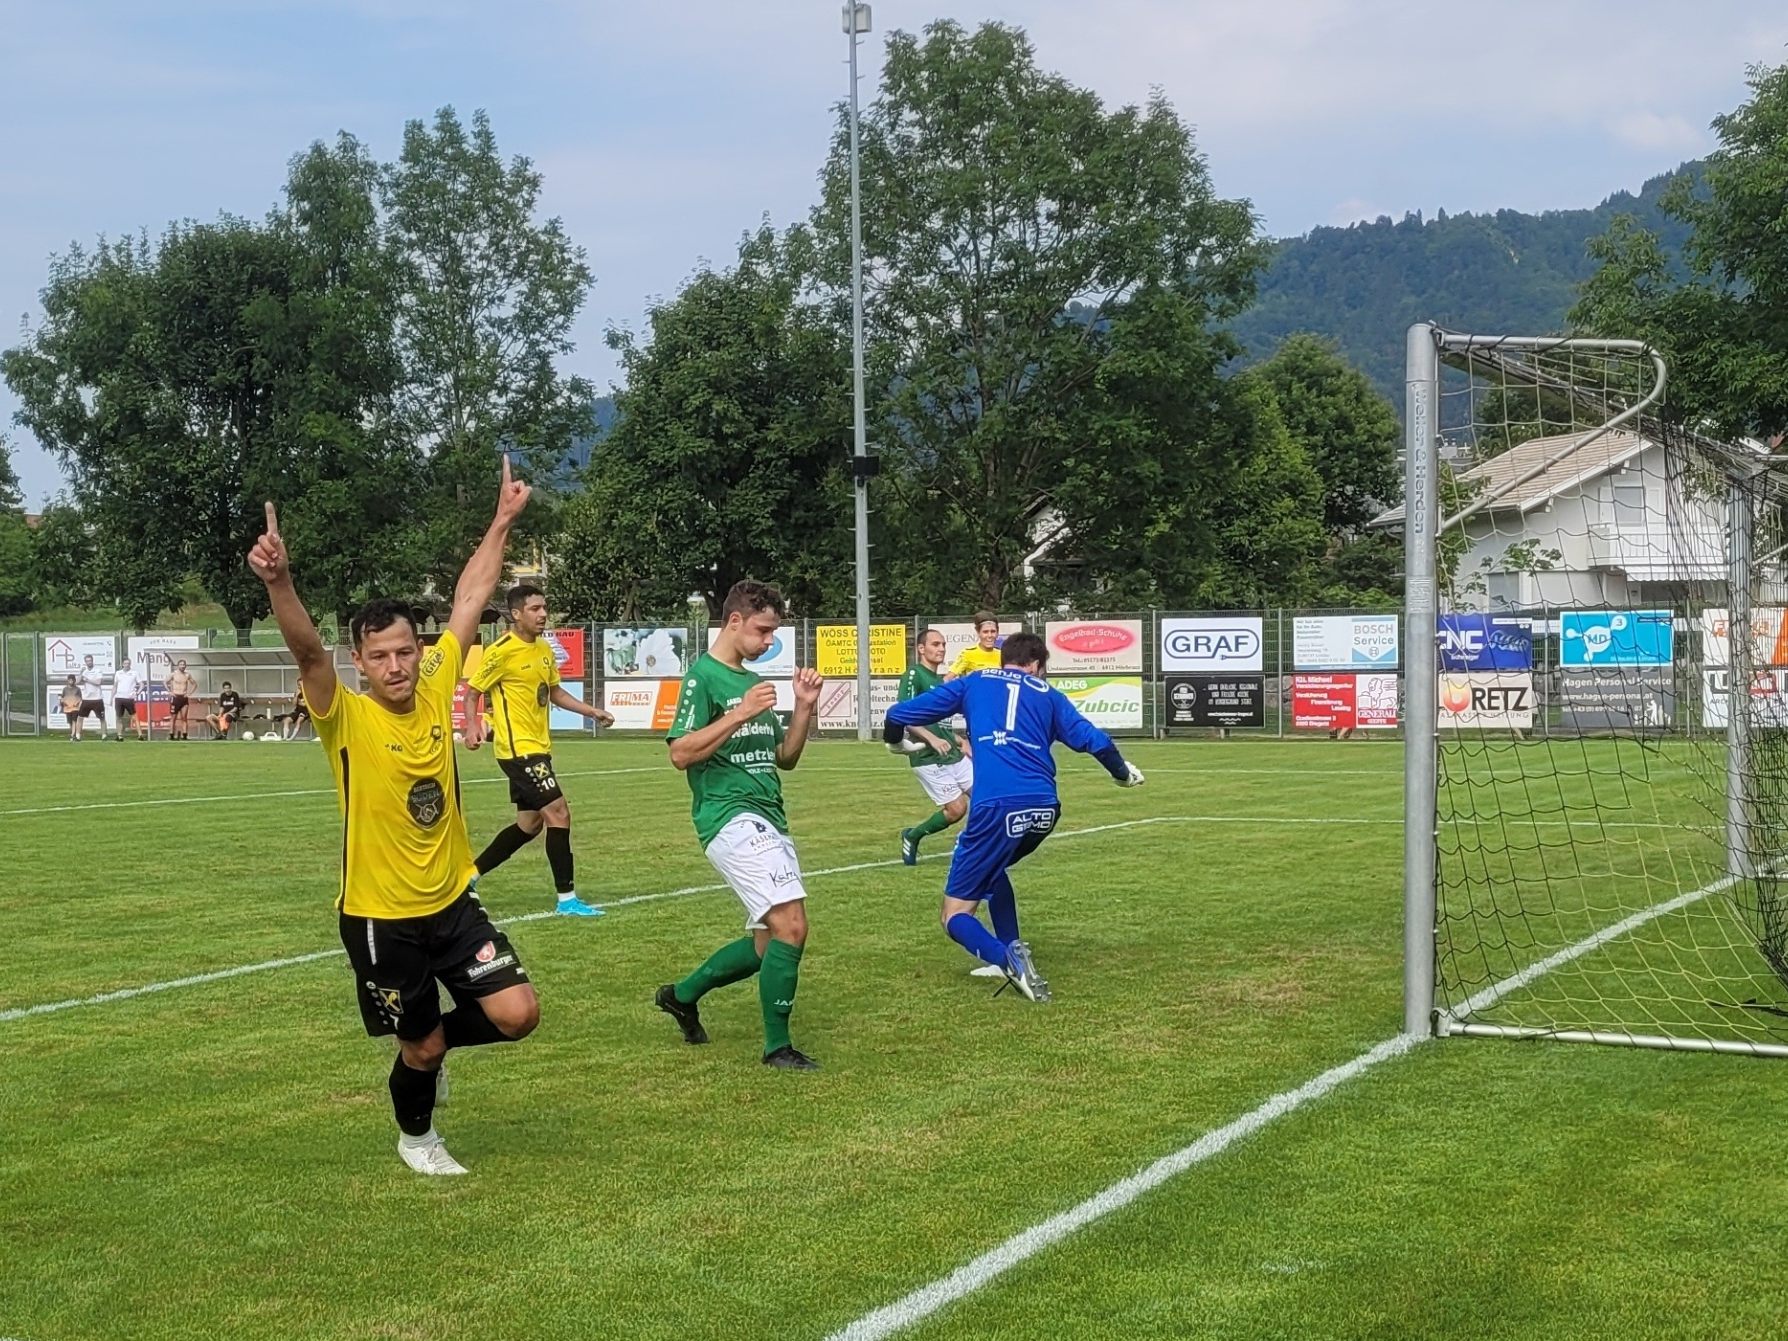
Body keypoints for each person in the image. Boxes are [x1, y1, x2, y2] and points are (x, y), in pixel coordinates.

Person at [248, 457, 540, 1177]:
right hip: (381, 919)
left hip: (453, 901)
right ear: (360, 661)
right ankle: (417, 1137)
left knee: (518, 1013)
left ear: (419, 649)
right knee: (424, 1050)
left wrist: (502, 519)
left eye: (406, 650)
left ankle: (427, 1045)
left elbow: (472, 594)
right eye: (379, 655)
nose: (397, 665)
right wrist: (279, 581)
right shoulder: (342, 715)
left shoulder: (439, 681)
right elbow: (306, 649)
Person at [884, 631, 1146, 1002]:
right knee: (993, 871)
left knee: (954, 915)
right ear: (1037, 666)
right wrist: (1122, 774)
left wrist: (896, 742)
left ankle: (1006, 960)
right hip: (1044, 809)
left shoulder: (975, 682)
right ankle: (1010, 945)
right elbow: (1098, 741)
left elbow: (898, 713)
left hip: (996, 808)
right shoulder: (1049, 695)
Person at [654, 580, 824, 1070]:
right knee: (792, 926)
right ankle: (777, 1049)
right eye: (763, 630)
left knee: (766, 943)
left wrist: (804, 707)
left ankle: (682, 995)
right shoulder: (702, 678)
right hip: (729, 817)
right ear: (733, 621)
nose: (770, 641)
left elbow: (784, 758)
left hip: (769, 816)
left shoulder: (753, 683)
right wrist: (740, 713)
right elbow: (680, 753)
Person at [464, 583, 616, 917]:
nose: (543, 614)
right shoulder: (501, 650)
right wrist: (473, 725)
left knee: (529, 825)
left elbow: (555, 692)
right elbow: (473, 692)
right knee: (559, 813)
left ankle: (467, 877)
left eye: (544, 607)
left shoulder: (544, 650)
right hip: (518, 751)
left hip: (538, 748)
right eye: (534, 609)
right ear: (516, 614)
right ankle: (567, 899)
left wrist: (592, 712)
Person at [896, 627, 974, 866]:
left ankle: (971, 846)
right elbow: (904, 716)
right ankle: (913, 835)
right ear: (921, 649)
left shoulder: (941, 682)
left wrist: (960, 740)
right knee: (956, 809)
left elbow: (941, 722)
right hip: (927, 756)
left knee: (985, 797)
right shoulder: (914, 675)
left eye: (942, 645)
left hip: (951, 752)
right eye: (935, 644)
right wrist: (931, 738)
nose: (940, 649)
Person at [946, 611, 1003, 679]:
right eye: (985, 632)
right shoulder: (967, 654)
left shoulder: (1002, 655)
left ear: (997, 632)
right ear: (978, 632)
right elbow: (947, 679)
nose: (989, 635)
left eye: (993, 631)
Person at [77, 654, 106, 735]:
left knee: (102, 718)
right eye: (87, 661)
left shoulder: (98, 670)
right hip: (86, 699)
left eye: (90, 661)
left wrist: (87, 680)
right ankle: (77, 735)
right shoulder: (84, 671)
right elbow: (77, 682)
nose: (89, 662)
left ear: (92, 661)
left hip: (97, 698)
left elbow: (98, 682)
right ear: (85, 662)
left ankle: (104, 735)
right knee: (80, 717)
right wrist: (80, 673)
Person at [167, 660, 197, 740]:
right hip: (176, 697)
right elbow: (165, 682)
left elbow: (194, 684)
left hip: (184, 697)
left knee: (184, 717)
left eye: (184, 664)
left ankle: (184, 735)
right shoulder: (173, 674)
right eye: (181, 664)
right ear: (178, 665)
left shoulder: (187, 675)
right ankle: (171, 735)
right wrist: (170, 691)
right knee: (173, 717)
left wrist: (189, 693)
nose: (183, 666)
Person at [112, 661, 141, 741]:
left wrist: (137, 693)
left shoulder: (134, 673)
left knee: (134, 716)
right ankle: (119, 735)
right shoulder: (118, 673)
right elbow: (115, 686)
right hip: (119, 698)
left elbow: (142, 684)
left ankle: (140, 735)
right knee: (118, 717)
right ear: (122, 664)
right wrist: (111, 697)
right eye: (125, 663)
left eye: (128, 663)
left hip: (129, 698)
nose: (126, 665)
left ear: (130, 664)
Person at [59, 675, 82, 741]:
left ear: (74, 681)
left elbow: (80, 698)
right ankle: (73, 733)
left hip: (75, 708)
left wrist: (77, 704)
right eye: (70, 680)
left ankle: (72, 735)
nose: (71, 681)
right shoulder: (65, 689)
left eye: (72, 680)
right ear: (68, 680)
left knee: (74, 720)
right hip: (67, 708)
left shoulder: (77, 689)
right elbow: (62, 698)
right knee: (70, 722)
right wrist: (62, 702)